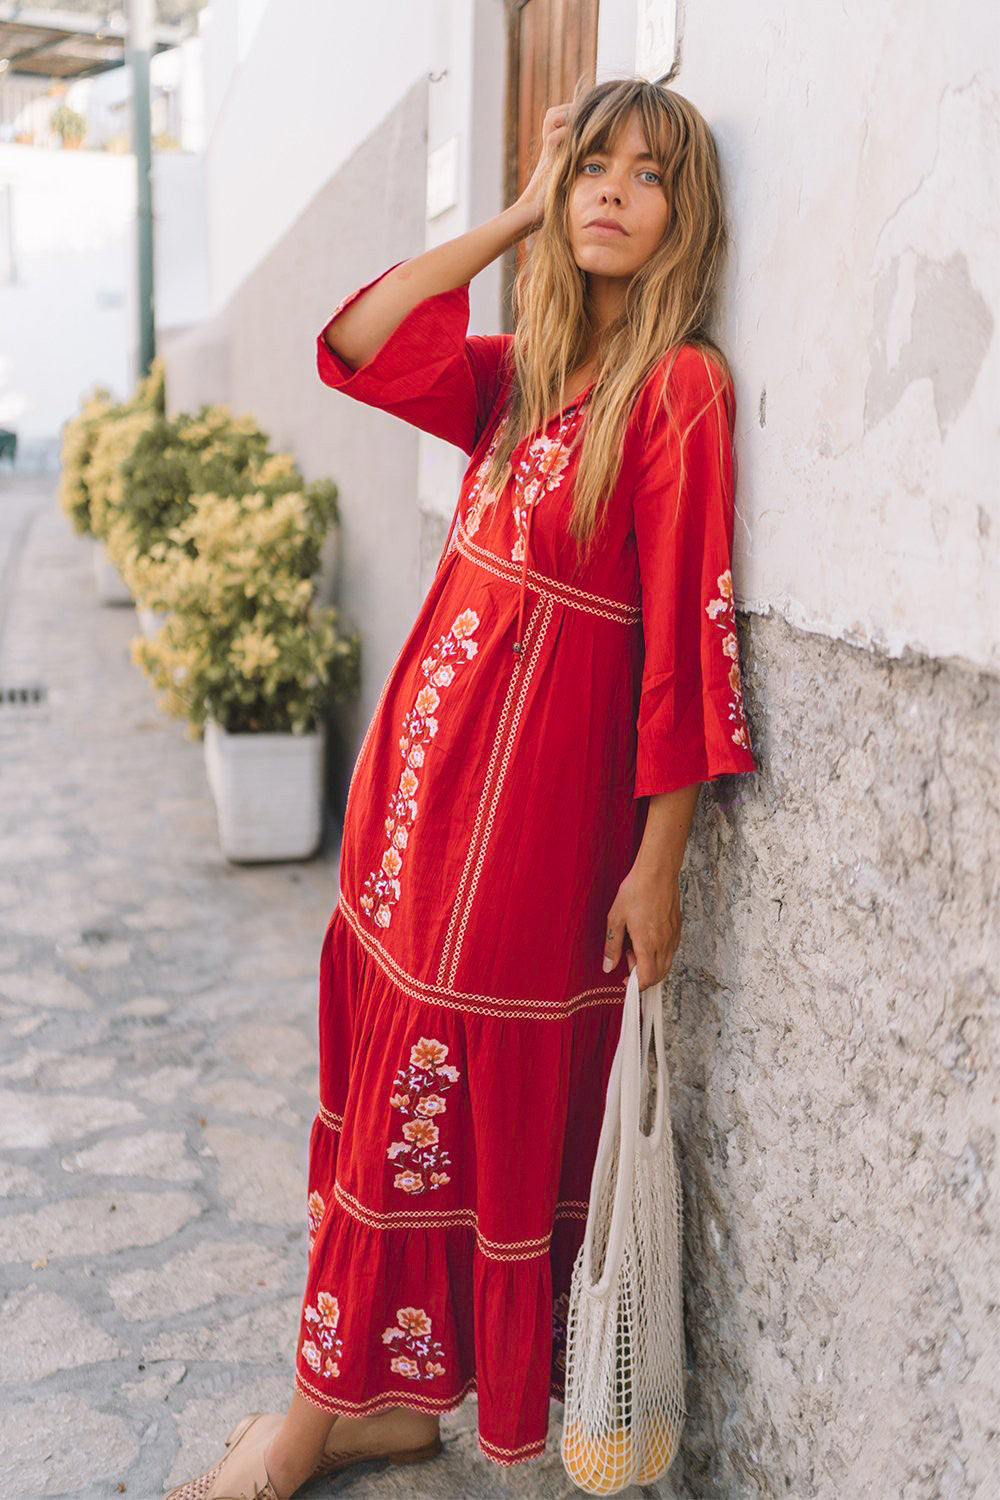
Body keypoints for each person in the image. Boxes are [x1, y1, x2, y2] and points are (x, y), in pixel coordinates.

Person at [166, 75, 757, 1500]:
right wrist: (514, 210)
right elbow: (358, 344)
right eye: (592, 166)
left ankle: (311, 1420)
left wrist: (658, 860)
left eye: (647, 173)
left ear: (690, 216)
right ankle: (386, 1401)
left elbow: (688, 640)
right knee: (381, 1085)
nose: (612, 188)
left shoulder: (675, 393)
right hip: (408, 821)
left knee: (421, 1102)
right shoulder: (522, 376)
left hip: (527, 842)